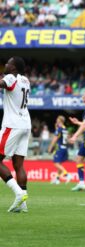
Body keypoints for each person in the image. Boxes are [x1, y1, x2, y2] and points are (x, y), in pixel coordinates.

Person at [0, 57, 31, 212]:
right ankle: (23, 205)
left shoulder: (10, 77)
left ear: (13, 68)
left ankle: (18, 193)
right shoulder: (25, 80)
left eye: (8, 63)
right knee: (18, 165)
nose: (5, 64)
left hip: (12, 124)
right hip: (25, 124)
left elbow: (3, 84)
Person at [47, 116, 72, 185]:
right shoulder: (65, 129)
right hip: (65, 148)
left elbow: (55, 138)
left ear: (60, 120)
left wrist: (50, 147)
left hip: (60, 148)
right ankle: (57, 179)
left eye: (57, 119)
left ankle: (67, 174)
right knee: (59, 164)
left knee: (56, 163)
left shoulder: (59, 129)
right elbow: (66, 138)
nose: (56, 120)